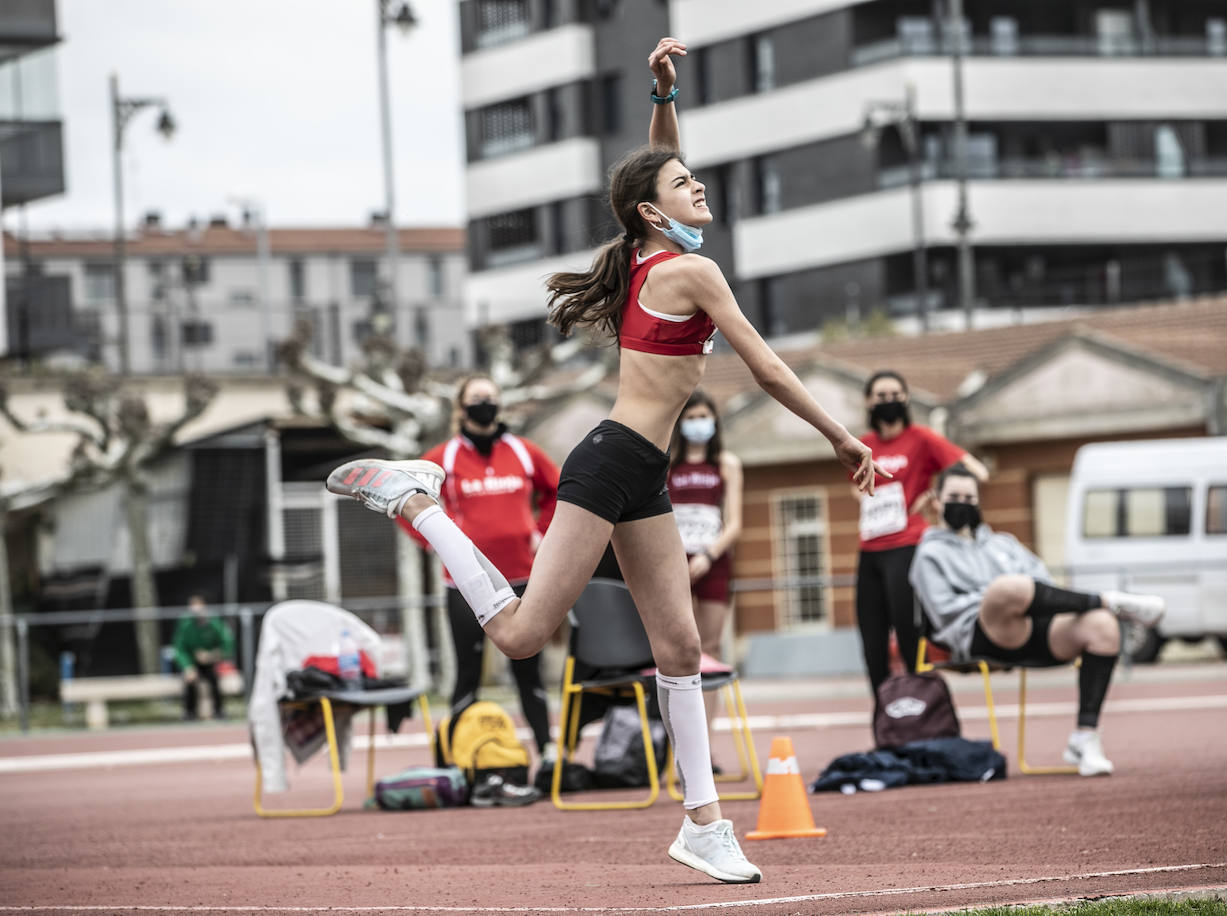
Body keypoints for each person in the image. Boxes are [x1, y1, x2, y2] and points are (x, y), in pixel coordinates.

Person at [327, 35, 883, 885]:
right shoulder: (691, 272)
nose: (698, 183)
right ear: (659, 214)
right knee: (519, 636)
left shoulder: (643, 251)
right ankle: (420, 501)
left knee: (681, 650)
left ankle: (703, 824)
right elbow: (766, 366)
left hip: (640, 473)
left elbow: (650, 180)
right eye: (685, 184)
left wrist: (664, 96)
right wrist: (840, 436)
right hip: (610, 462)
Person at [910, 465, 1165, 776]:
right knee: (1006, 588)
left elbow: (1042, 581)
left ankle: (1084, 739)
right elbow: (945, 611)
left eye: (969, 496)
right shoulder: (929, 553)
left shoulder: (1003, 543)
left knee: (1102, 626)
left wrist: (1022, 598)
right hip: (978, 634)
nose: (962, 502)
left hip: (1032, 626)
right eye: (954, 496)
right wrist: (999, 597)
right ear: (938, 500)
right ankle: (1109, 599)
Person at [398, 374, 560, 763]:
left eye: (490, 397)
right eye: (476, 398)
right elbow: (404, 499)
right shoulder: (445, 457)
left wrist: (541, 533)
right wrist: (433, 541)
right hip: (466, 584)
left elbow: (558, 491)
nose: (484, 403)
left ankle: (550, 754)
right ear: (461, 407)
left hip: (523, 580)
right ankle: (451, 758)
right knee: (468, 674)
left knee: (528, 673)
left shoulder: (523, 452)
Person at [855, 369, 987, 699]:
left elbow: (977, 470)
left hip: (907, 546)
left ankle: (920, 709)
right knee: (872, 641)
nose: (889, 401)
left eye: (895, 394)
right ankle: (884, 713)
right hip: (869, 551)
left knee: (909, 632)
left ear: (906, 399)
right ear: (869, 402)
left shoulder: (922, 438)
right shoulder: (864, 445)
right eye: (881, 396)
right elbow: (858, 489)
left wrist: (939, 495)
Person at [667, 390, 742, 761]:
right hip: (672, 563)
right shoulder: (667, 464)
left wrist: (708, 556)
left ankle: (705, 748)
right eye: (691, 416)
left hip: (713, 563)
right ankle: (681, 746)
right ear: (681, 422)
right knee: (678, 650)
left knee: (709, 651)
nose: (698, 423)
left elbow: (735, 522)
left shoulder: (726, 464)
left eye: (704, 417)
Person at [172, 595, 234, 721]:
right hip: (191, 662)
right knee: (189, 682)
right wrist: (187, 666)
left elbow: (227, 643)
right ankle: (189, 713)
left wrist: (212, 655)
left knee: (214, 680)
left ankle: (219, 711)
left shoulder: (214, 622)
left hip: (210, 661)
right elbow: (179, 648)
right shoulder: (186, 623)